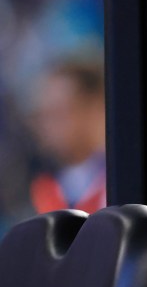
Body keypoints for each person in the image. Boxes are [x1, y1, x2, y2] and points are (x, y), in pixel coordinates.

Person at [29, 59, 107, 214]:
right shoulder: (45, 189)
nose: (48, 126)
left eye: (59, 113)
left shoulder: (121, 182)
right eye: (44, 115)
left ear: (95, 109)